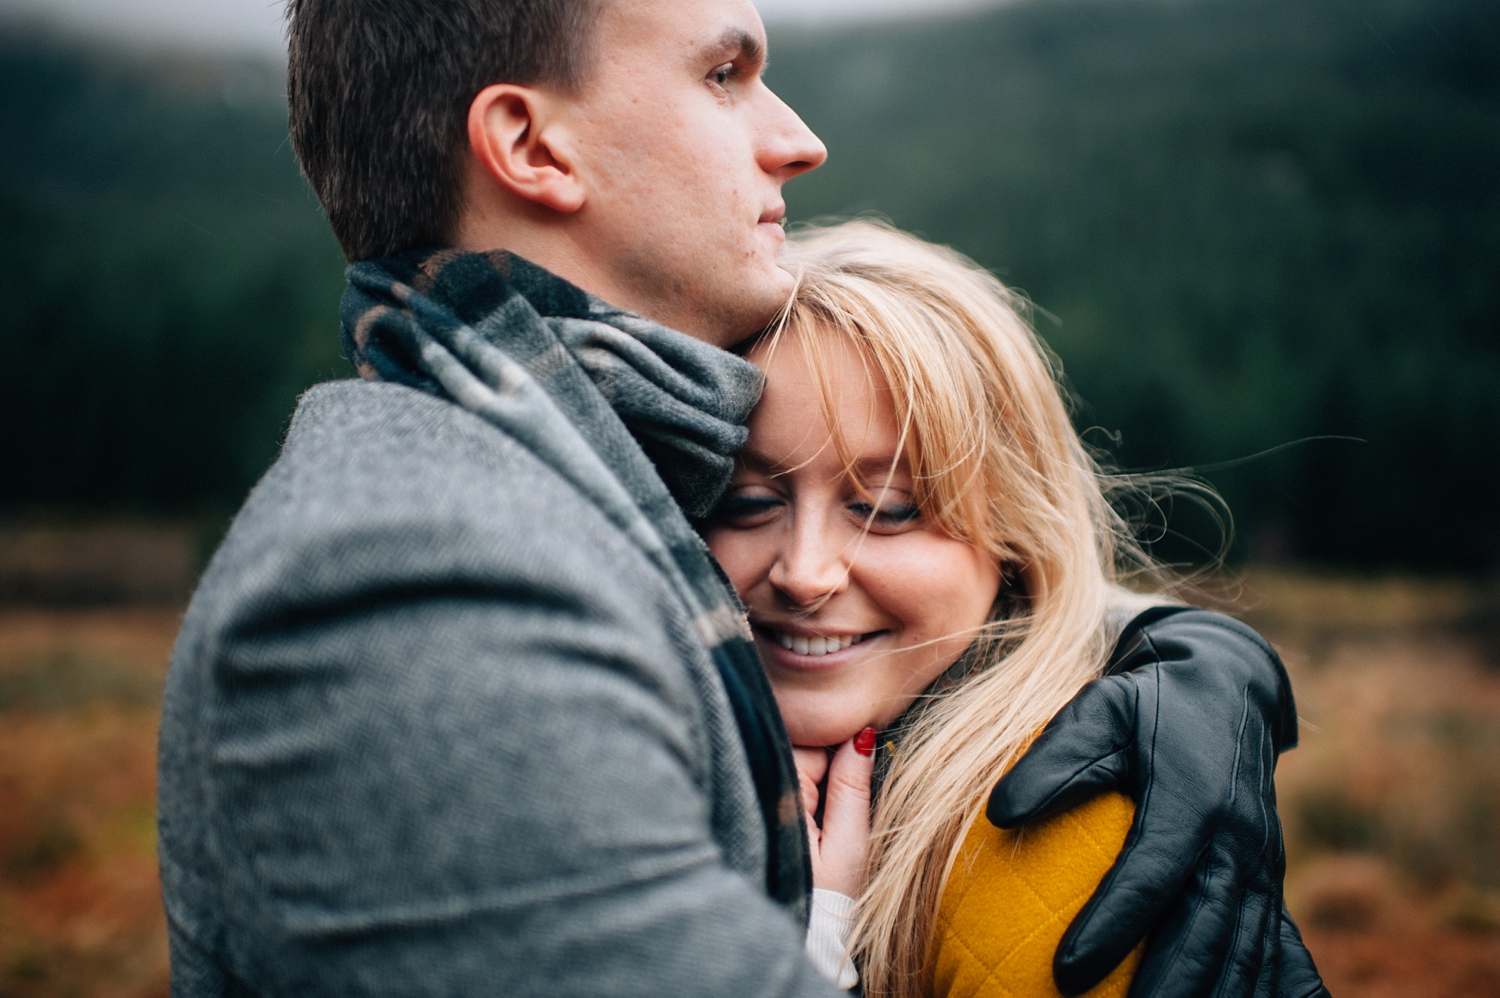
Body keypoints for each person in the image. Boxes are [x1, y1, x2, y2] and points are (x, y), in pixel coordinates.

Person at [156, 0, 1314, 993]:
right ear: (530, 143)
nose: (800, 140)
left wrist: (1152, 642)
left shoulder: (572, 471)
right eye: (724, 74)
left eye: (891, 506)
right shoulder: (403, 591)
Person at [703, 221, 1328, 997]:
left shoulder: (1054, 826)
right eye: (748, 499)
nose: (804, 573)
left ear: (1012, 530)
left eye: (889, 509)